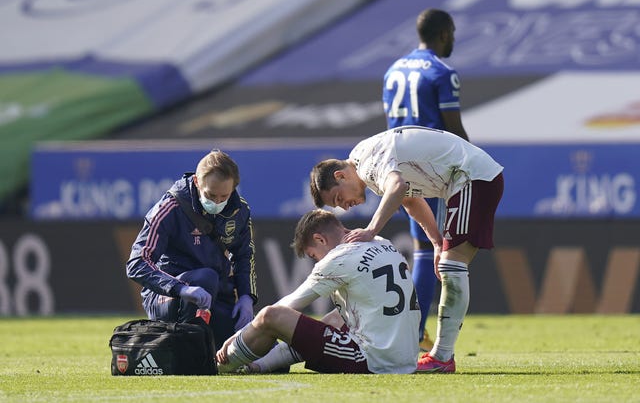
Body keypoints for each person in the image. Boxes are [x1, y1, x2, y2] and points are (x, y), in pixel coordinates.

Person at [309, 126, 504, 373]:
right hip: (470, 179)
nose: (345, 207)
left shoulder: (368, 164)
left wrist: (370, 230)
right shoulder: (364, 157)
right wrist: (435, 241)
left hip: (472, 178)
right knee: (449, 263)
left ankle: (443, 357)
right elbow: (410, 200)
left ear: (340, 176)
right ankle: (442, 356)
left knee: (451, 265)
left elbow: (398, 187)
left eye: (338, 199)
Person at [216, 209, 420, 374]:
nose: (317, 262)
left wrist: (239, 334)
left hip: (373, 362)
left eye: (314, 256)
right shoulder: (382, 242)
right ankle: (258, 366)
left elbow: (288, 306)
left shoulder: (338, 258)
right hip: (407, 359)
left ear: (320, 240)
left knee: (271, 315)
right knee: (334, 318)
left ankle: (222, 365)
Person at [382, 8, 469, 352]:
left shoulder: (393, 70)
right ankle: (414, 333)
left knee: (423, 247)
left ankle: (414, 330)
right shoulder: (442, 72)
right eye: (454, 33)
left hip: (397, 164)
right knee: (428, 250)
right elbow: (454, 127)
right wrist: (473, 164)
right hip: (431, 165)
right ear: (445, 33)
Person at [126, 149, 257, 350]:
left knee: (261, 345)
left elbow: (244, 256)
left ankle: (210, 346)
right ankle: (186, 351)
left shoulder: (240, 210)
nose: (217, 202)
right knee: (205, 278)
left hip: (214, 294)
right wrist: (181, 288)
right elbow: (137, 264)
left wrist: (247, 297)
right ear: (196, 182)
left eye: (224, 196)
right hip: (169, 296)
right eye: (211, 195)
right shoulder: (170, 207)